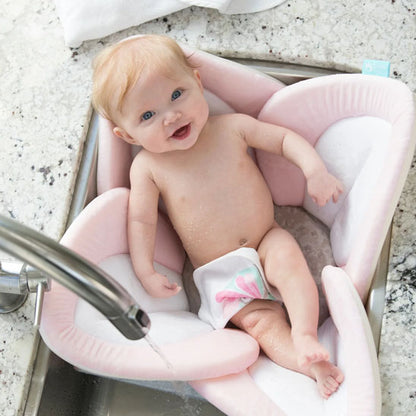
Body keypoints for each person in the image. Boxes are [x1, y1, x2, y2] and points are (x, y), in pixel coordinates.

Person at [92, 34, 344, 399]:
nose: (171, 116)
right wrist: (145, 270)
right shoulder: (147, 167)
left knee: (289, 263)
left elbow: (285, 140)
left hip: (265, 237)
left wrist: (314, 170)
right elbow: (141, 221)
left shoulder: (232, 128)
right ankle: (305, 363)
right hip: (221, 271)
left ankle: (305, 333)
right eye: (148, 115)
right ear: (126, 135)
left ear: (198, 82)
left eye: (176, 95)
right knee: (260, 324)